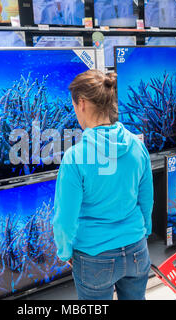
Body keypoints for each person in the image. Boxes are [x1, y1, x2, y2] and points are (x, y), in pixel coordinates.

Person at [53, 70, 154, 300]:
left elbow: (64, 218)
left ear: (82, 103)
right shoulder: (138, 147)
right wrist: (144, 232)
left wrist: (65, 251)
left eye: (74, 105)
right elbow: (146, 199)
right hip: (137, 248)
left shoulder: (75, 157)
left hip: (93, 256)